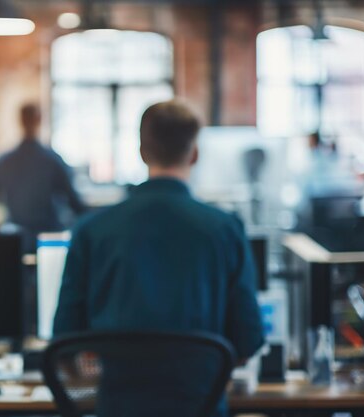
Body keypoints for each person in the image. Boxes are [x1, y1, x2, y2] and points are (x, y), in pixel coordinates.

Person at [53, 100, 264, 417]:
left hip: (119, 407)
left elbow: (64, 341)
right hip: (199, 406)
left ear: (141, 151)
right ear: (194, 153)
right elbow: (247, 342)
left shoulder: (91, 231)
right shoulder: (225, 229)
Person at [0, 103, 85, 251]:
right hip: (49, 240)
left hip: (17, 240)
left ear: (20, 120)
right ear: (40, 121)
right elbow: (74, 203)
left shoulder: (5, 161)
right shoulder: (52, 160)